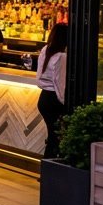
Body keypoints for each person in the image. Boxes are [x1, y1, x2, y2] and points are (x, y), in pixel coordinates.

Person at [36, 23, 68, 159]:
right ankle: (50, 169)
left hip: (44, 98)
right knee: (56, 136)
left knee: (53, 135)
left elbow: (39, 76)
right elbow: (59, 83)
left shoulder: (45, 49)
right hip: (54, 99)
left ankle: (47, 169)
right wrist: (65, 103)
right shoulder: (62, 56)